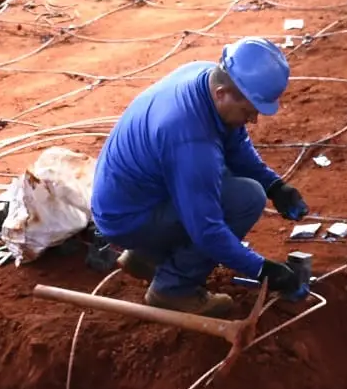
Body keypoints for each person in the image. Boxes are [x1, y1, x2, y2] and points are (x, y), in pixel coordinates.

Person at [90, 37, 309, 316]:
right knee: (247, 199)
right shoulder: (190, 141)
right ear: (221, 93)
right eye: (248, 111)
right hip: (128, 220)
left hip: (134, 198)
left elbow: (236, 145)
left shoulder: (204, 75)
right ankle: (173, 289)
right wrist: (264, 270)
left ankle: (146, 258)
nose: (253, 120)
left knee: (224, 176)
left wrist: (275, 186)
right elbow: (207, 230)